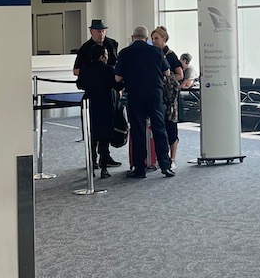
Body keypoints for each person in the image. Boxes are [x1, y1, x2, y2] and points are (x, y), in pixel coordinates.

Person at [115, 25, 173, 178]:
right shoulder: (157, 51)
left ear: (132, 38)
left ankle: (139, 168)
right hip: (154, 95)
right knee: (159, 128)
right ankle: (165, 166)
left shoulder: (124, 53)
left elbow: (117, 78)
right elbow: (167, 72)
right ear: (147, 39)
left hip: (135, 95)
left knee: (138, 130)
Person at [71, 18, 120, 177]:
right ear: (91, 31)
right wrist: (98, 72)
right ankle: (95, 160)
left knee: (105, 129)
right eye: (98, 31)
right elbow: (76, 70)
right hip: (101, 94)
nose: (102, 34)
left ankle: (104, 157)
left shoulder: (111, 44)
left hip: (103, 94)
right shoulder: (85, 48)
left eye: (103, 30)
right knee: (95, 129)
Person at [152, 26, 185, 168]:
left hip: (170, 97)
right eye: (152, 39)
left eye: (156, 38)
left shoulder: (170, 55)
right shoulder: (153, 53)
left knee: (171, 125)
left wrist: (167, 80)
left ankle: (173, 158)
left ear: (164, 39)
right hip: (158, 94)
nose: (154, 41)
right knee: (160, 126)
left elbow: (180, 75)